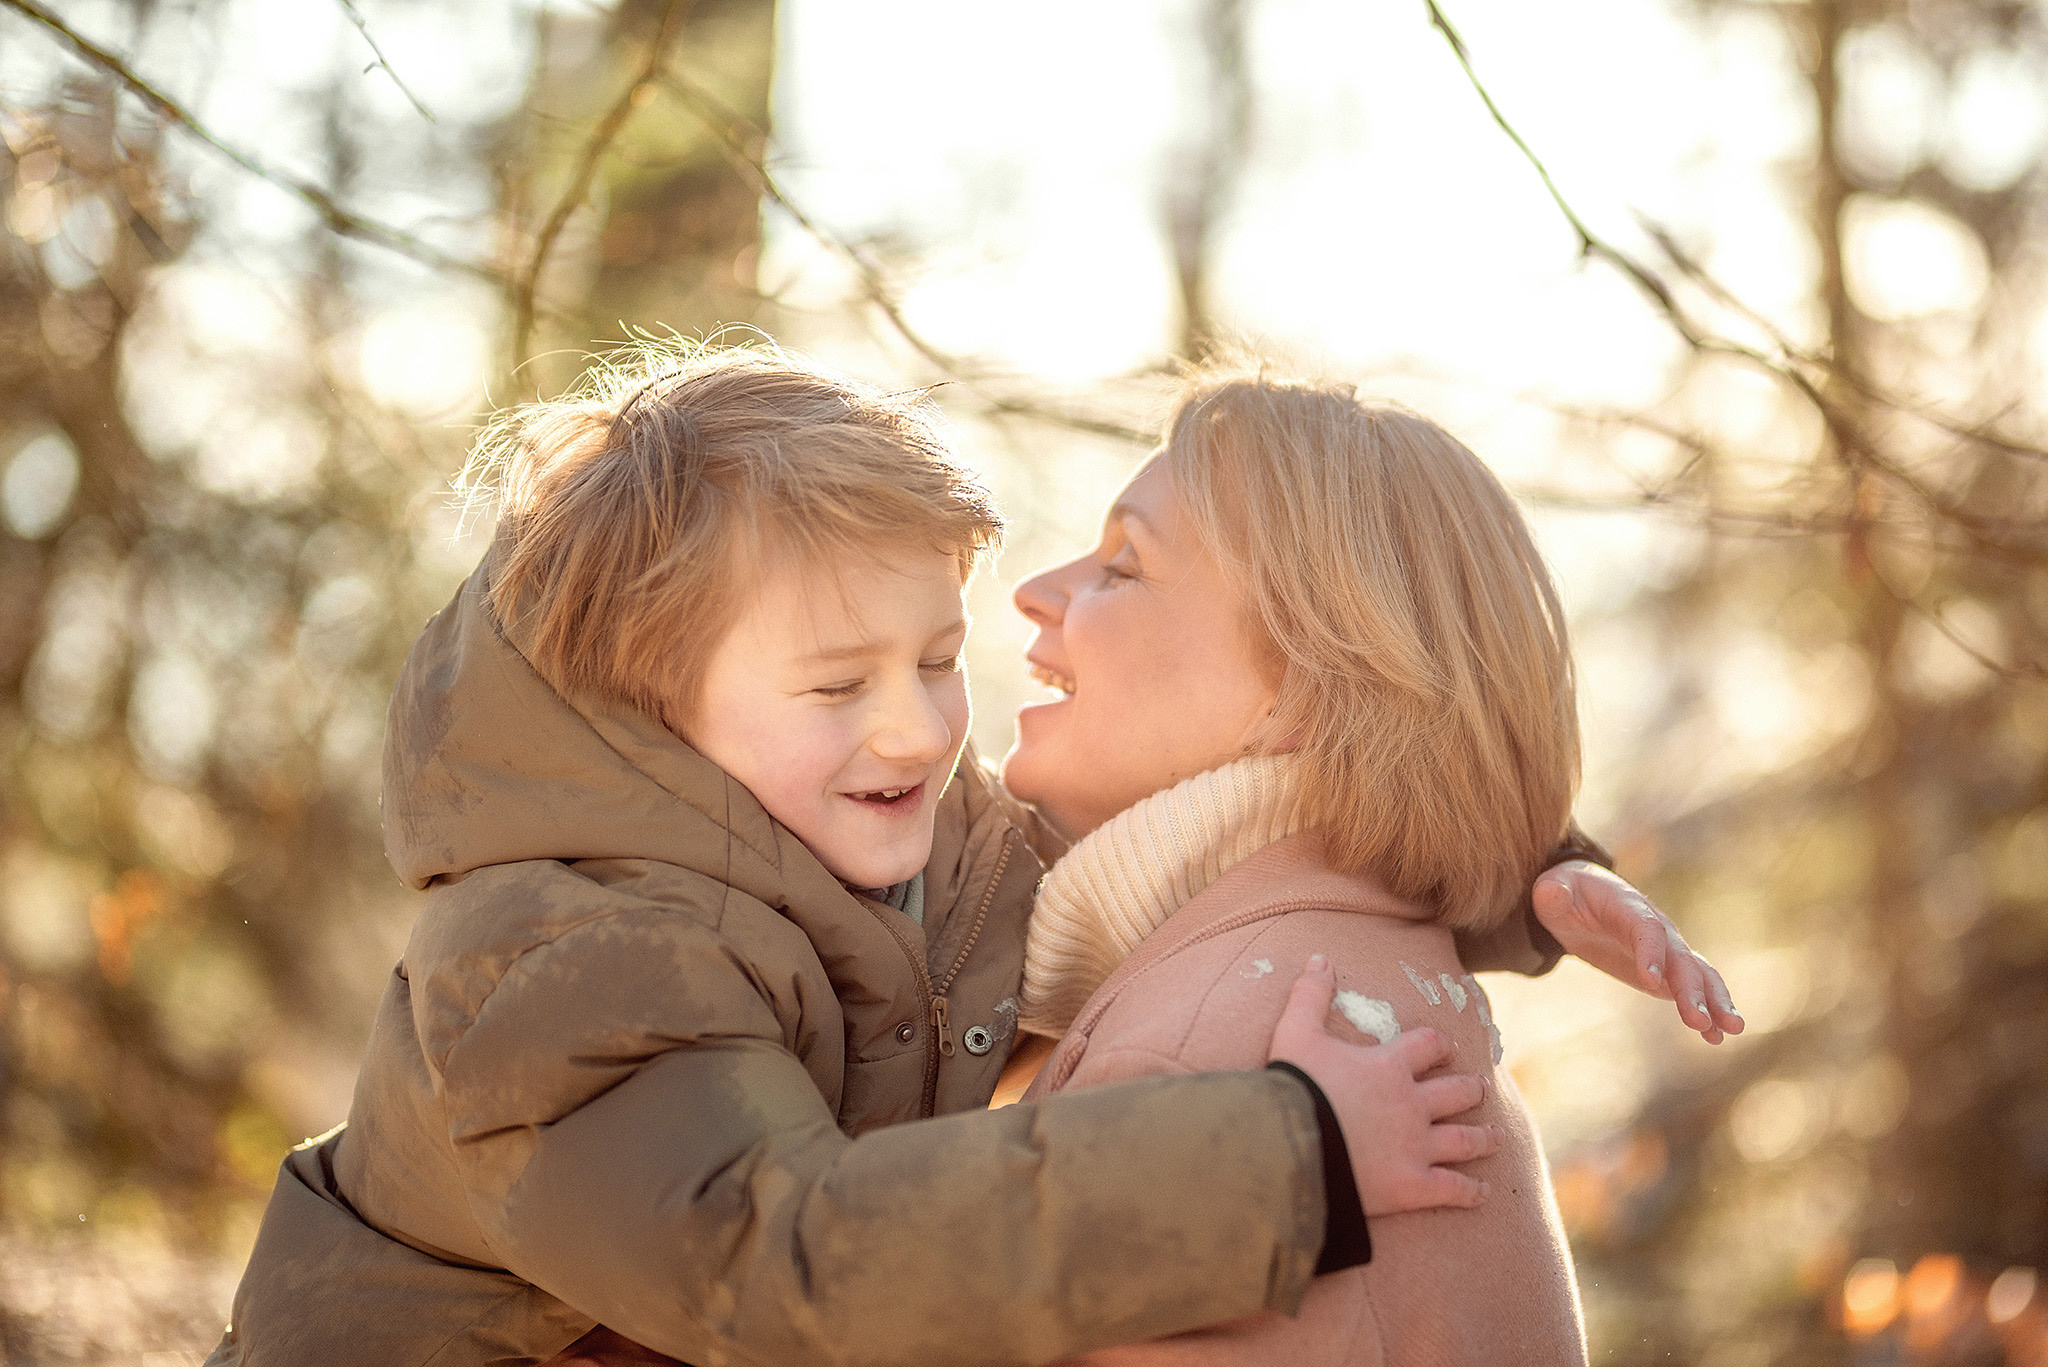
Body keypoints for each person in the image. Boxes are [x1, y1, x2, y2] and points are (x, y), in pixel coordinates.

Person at [208, 342, 1734, 1367]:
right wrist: (1287, 1156)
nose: (920, 722)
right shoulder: (577, 953)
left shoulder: (876, 832)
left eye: (935, 658)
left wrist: (1515, 873)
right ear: (650, 704)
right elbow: (788, 1252)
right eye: (837, 681)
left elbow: (1180, 842)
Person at [1006, 364, 1652, 1364]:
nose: (1032, 590)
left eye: (1123, 566)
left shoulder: (1207, 1064)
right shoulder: (1365, 978)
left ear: (1305, 686)